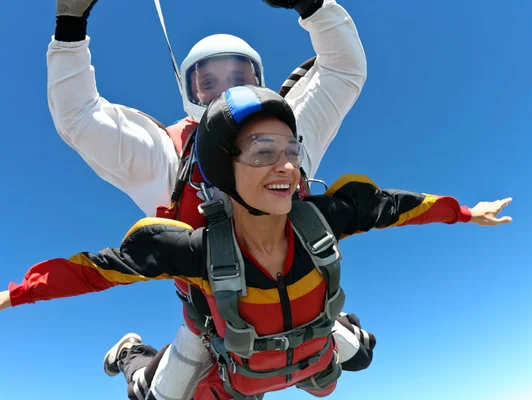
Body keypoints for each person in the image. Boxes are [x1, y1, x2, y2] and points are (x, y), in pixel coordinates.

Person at [1, 86, 513, 399]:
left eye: (291, 149)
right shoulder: (193, 250)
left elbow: (400, 207)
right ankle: (134, 354)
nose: (286, 165)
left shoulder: (327, 216)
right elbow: (92, 271)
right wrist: (12, 294)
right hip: (230, 350)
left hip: (305, 335)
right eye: (263, 151)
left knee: (359, 359)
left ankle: (337, 329)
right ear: (225, 168)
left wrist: (466, 213)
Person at [49, 0, 372, 397]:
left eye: (240, 76)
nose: (227, 91)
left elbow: (342, 70)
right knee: (148, 395)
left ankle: (346, 329)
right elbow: (79, 118)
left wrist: (314, 6)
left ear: (259, 81)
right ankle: (132, 354)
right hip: (213, 326)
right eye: (209, 82)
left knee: (360, 356)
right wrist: (70, 25)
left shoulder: (290, 132)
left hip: (301, 302)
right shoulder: (165, 158)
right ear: (190, 92)